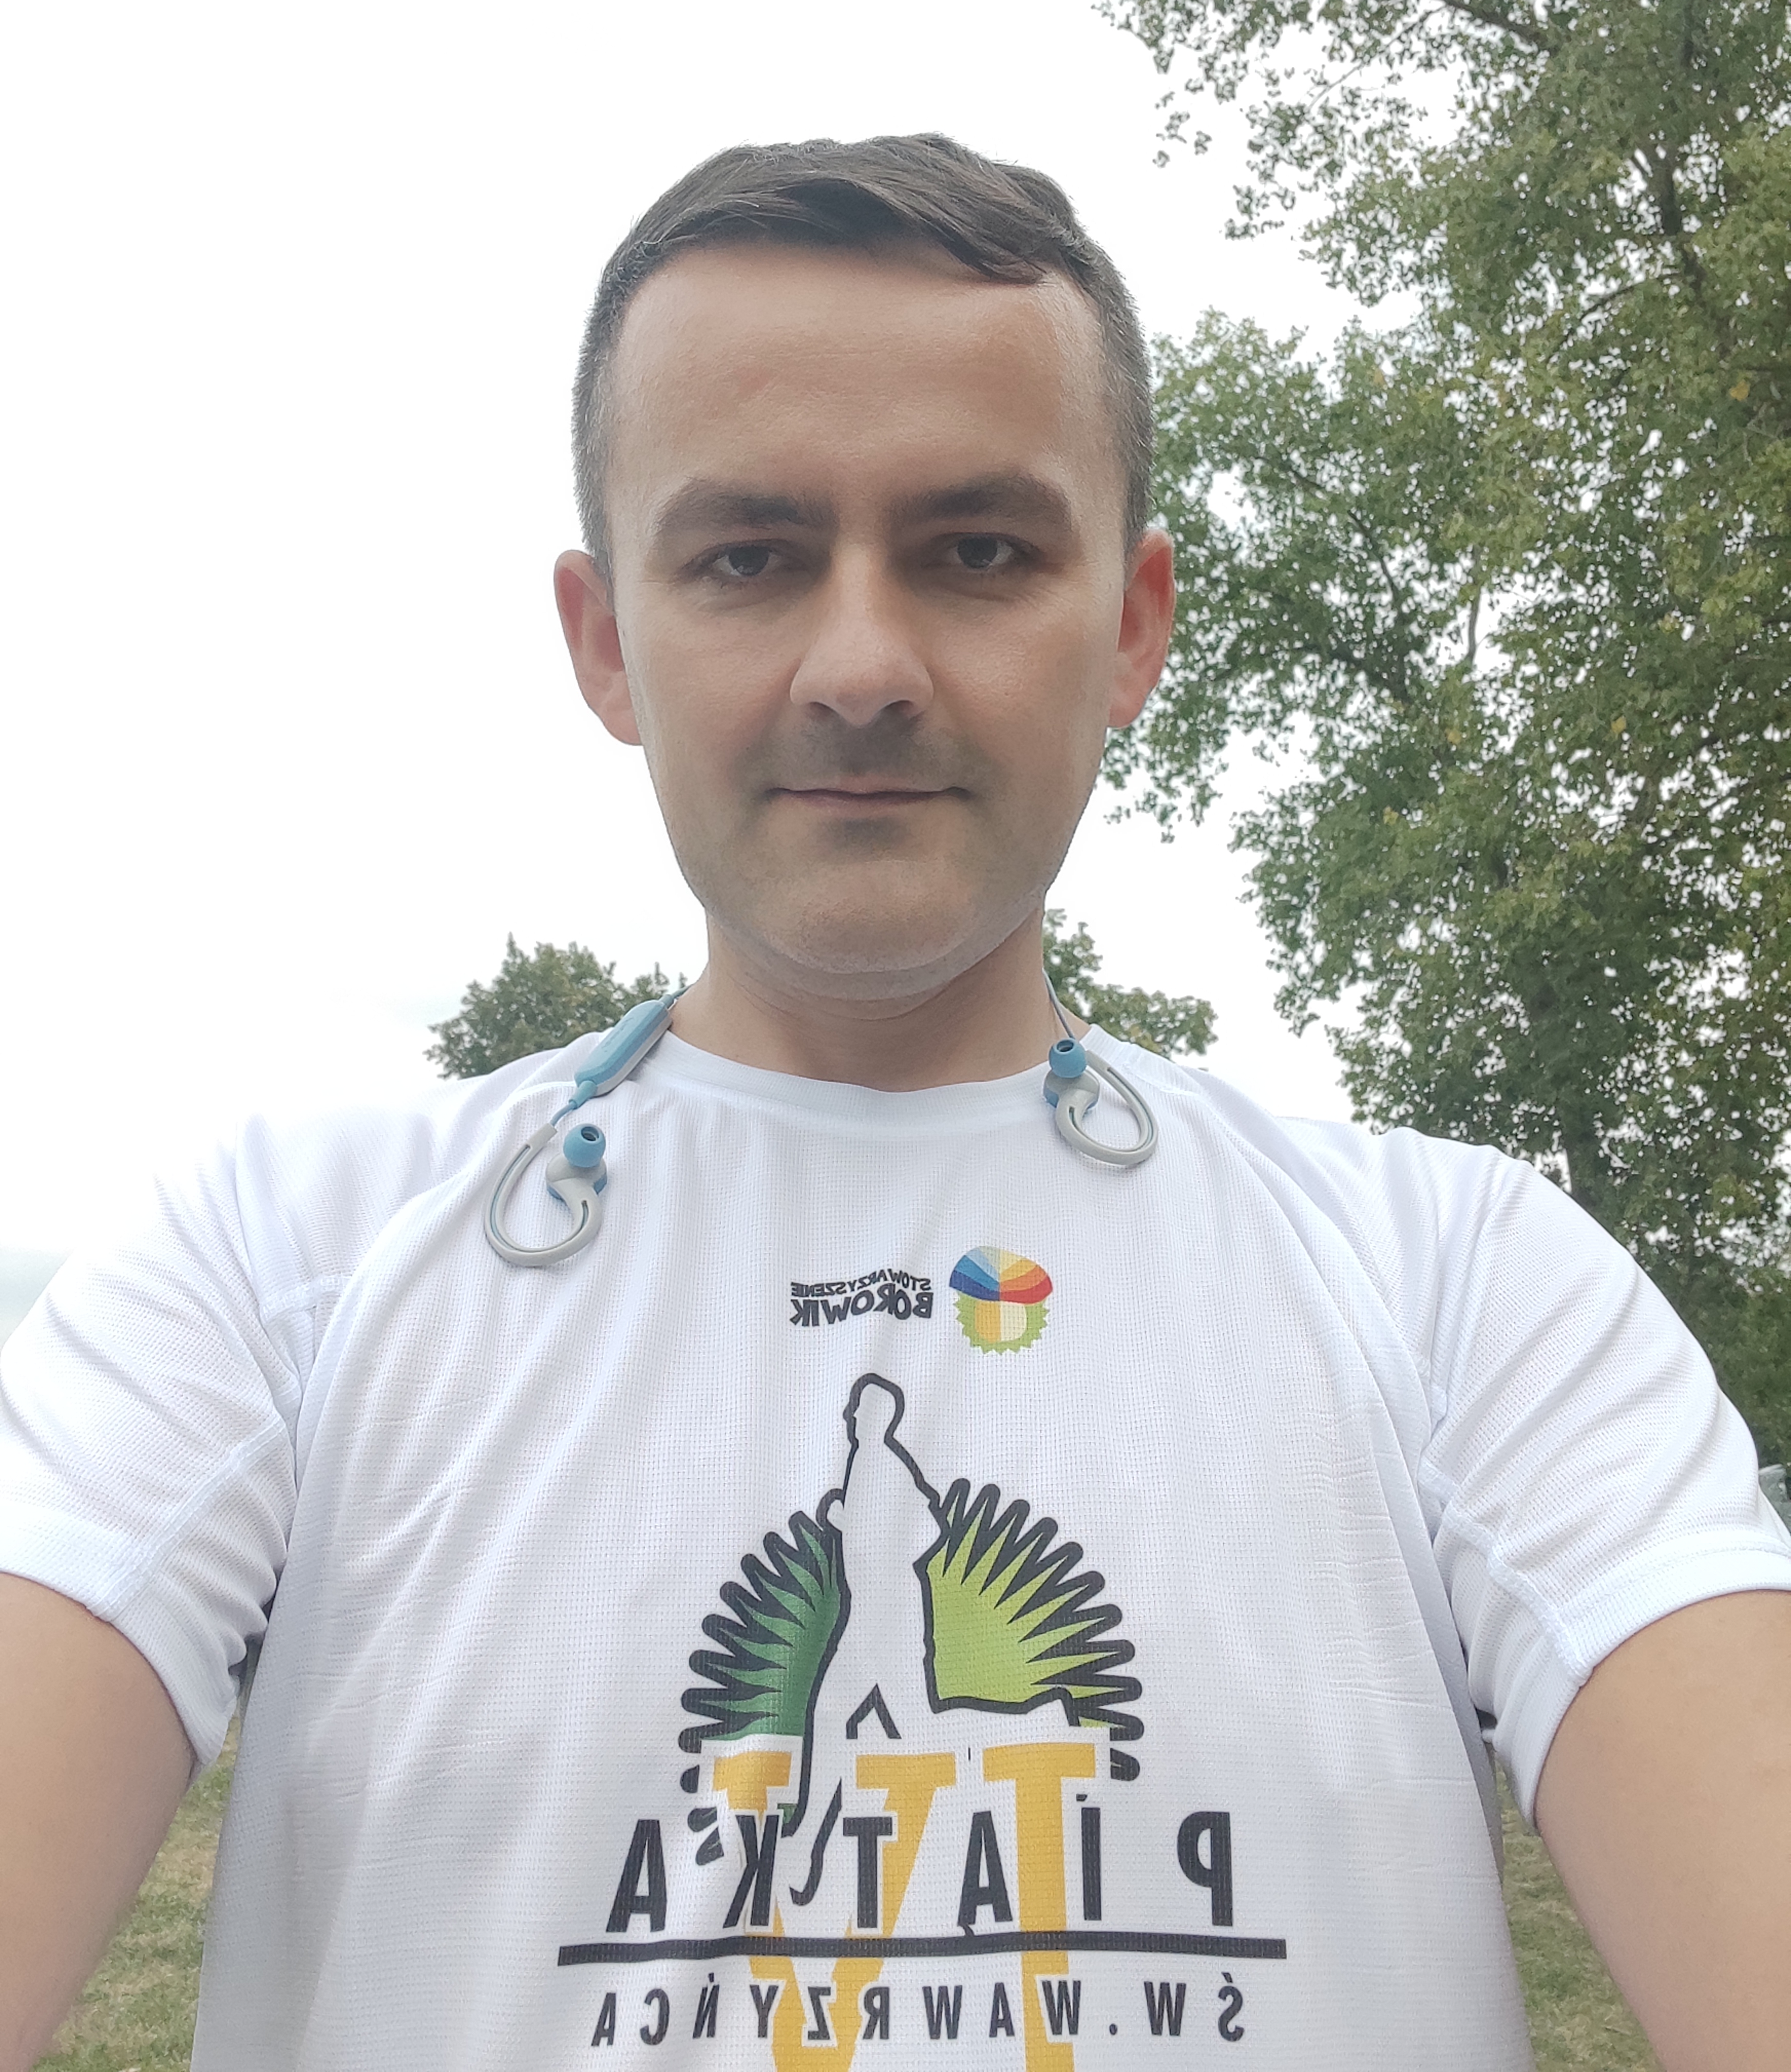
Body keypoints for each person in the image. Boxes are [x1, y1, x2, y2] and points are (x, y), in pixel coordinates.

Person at [1, 134, 1787, 2072]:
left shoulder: (1470, 1289)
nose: (861, 670)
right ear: (607, 643)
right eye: (749, 557)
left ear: (1133, 626)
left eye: (978, 552)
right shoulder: (273, 1271)